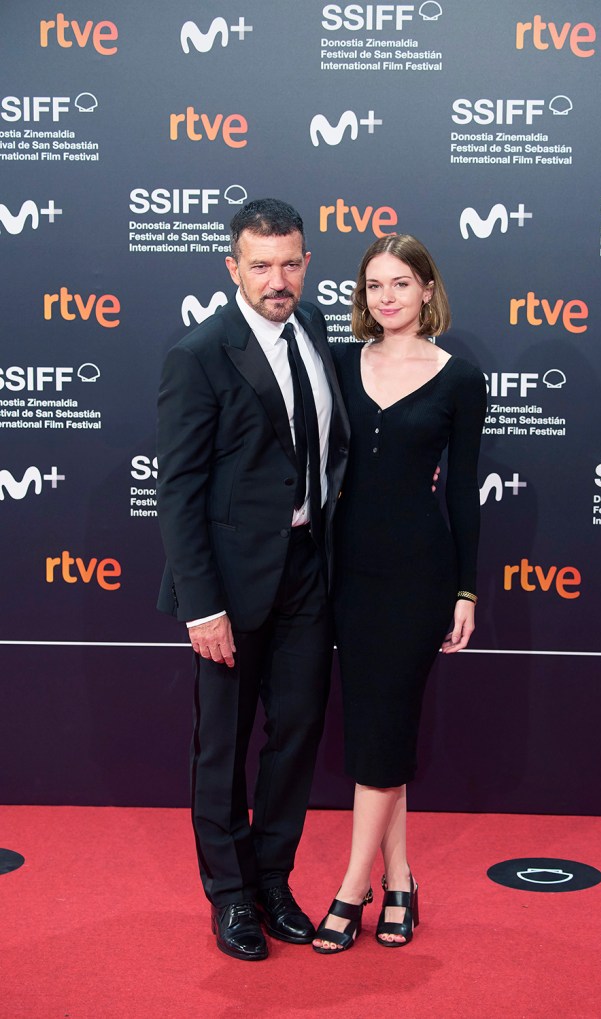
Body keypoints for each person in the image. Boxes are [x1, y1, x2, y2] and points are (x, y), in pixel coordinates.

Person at [156, 198, 350, 962]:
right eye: (261, 264)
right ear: (232, 267)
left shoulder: (317, 330)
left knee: (297, 732)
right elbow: (179, 488)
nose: (278, 278)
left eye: (291, 262)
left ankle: (274, 879)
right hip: (230, 587)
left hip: (308, 570)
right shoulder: (199, 353)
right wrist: (201, 604)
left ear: (306, 263)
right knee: (223, 746)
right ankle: (230, 896)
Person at [312, 234, 486, 954]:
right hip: (348, 572)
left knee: (384, 726)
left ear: (426, 290)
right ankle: (403, 878)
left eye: (400, 283)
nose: (387, 297)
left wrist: (467, 589)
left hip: (420, 573)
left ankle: (353, 888)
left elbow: (467, 494)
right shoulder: (341, 366)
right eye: (375, 285)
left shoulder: (459, 378)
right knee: (377, 725)